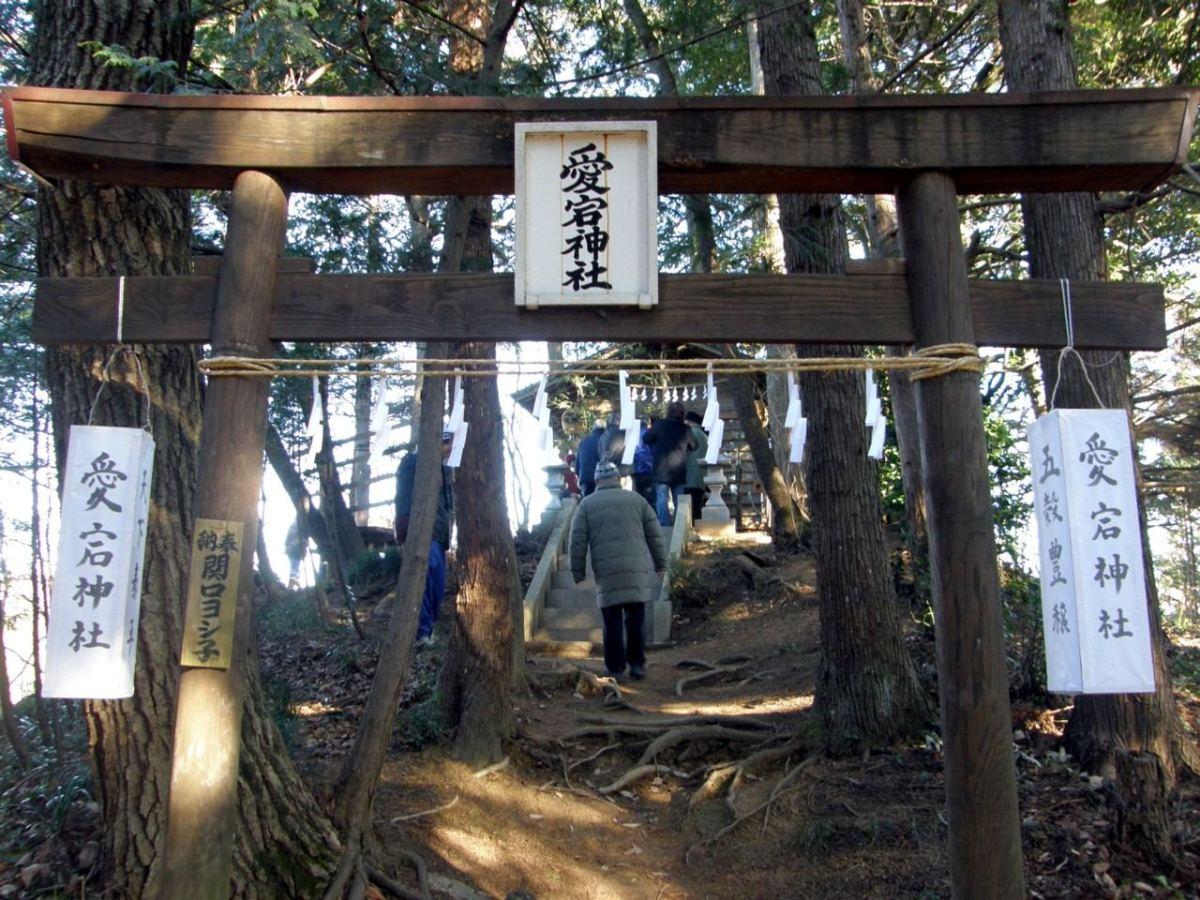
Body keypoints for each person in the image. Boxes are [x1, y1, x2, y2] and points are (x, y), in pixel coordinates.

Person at [569, 460, 667, 680]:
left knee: (611, 621)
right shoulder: (637, 500)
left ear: (597, 481)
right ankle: (637, 664)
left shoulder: (587, 505)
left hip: (607, 572)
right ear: (618, 479)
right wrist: (660, 563)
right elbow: (655, 535)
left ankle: (615, 667)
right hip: (635, 571)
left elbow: (577, 541)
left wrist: (578, 571)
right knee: (636, 619)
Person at [394, 431, 454, 645]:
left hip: (439, 534)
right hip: (421, 530)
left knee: (437, 583)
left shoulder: (444, 470)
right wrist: (404, 526)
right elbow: (403, 496)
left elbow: (446, 506)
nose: (448, 449)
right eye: (445, 443)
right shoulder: (413, 462)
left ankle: (429, 628)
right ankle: (422, 631)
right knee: (424, 580)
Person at [643, 401, 696, 526]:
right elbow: (694, 445)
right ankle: (679, 525)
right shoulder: (685, 429)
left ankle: (664, 525)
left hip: (662, 468)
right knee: (679, 499)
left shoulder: (660, 424)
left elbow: (646, 438)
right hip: (679, 469)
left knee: (662, 498)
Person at [684, 410, 709, 523]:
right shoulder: (704, 435)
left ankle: (693, 526)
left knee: (690, 507)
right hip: (702, 474)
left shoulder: (691, 433)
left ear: (688, 421)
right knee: (698, 504)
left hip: (690, 474)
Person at [575, 421, 605, 496]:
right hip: (600, 478)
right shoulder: (604, 440)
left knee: (588, 500)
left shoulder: (584, 441)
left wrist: (580, 475)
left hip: (586, 478)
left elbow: (577, 464)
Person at [631, 419, 656, 506]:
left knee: (638, 497)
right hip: (649, 469)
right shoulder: (650, 433)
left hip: (636, 470)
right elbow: (653, 451)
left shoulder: (632, 434)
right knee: (651, 499)